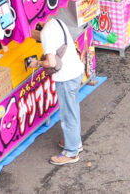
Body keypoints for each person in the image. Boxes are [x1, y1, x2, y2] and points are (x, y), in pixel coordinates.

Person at [28, 13, 86, 165]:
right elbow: (43, 36)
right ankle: (75, 142)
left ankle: (71, 152)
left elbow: (51, 62)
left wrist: (37, 63)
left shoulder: (46, 32)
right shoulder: (57, 22)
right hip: (76, 70)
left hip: (66, 77)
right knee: (73, 110)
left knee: (68, 116)